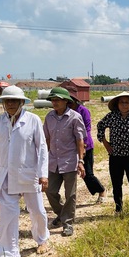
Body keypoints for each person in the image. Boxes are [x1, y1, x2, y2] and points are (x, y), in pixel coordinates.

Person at [0, 86, 50, 257]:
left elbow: (42, 148)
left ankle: (42, 239)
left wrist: (43, 174)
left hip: (30, 174)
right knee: (7, 214)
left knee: (36, 210)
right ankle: (8, 253)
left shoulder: (33, 120)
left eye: (14, 101)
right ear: (3, 104)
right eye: (7, 101)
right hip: (6, 175)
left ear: (22, 102)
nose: (10, 104)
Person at [43, 87, 86, 236]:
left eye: (57, 100)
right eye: (52, 100)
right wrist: (43, 159)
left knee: (71, 194)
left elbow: (80, 140)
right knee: (50, 191)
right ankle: (62, 214)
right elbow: (47, 139)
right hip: (53, 160)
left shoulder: (75, 117)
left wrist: (81, 161)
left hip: (69, 161)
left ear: (65, 101)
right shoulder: (49, 117)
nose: (54, 102)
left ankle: (67, 223)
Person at [64, 87, 107, 203]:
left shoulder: (83, 111)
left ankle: (101, 190)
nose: (68, 103)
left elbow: (86, 130)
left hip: (85, 145)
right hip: (70, 147)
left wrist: (83, 147)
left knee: (87, 174)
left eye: (69, 101)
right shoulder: (64, 112)